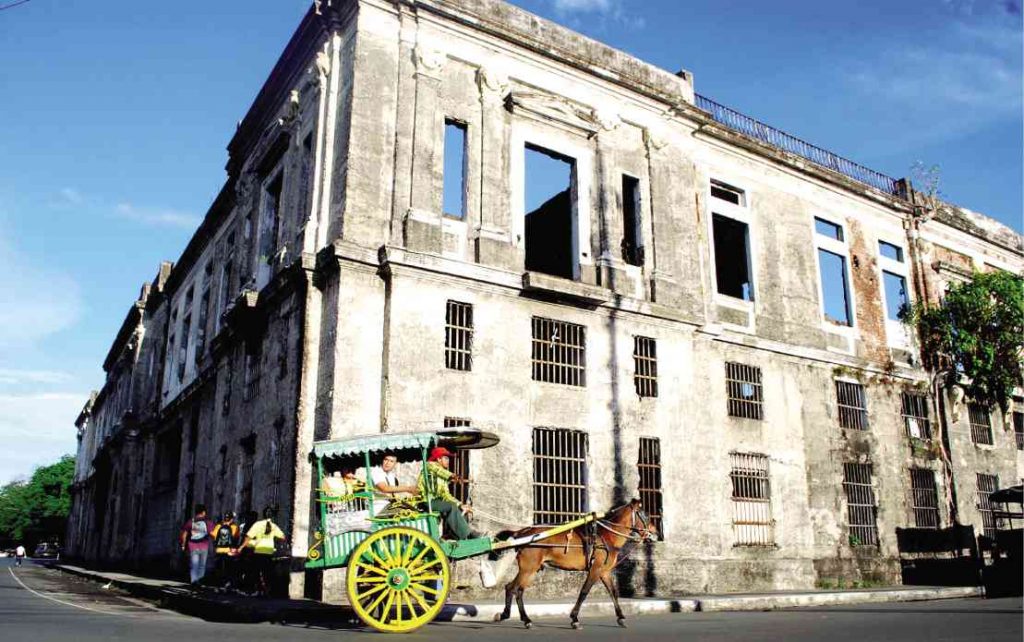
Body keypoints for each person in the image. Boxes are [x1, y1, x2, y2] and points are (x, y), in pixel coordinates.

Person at [418, 447, 480, 540]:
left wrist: (460, 504)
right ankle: (468, 534)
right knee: (450, 506)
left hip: (436, 502)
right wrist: (452, 476)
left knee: (457, 507)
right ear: (438, 459)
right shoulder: (429, 466)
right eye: (446, 458)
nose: (448, 461)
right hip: (426, 501)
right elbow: (438, 471)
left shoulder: (442, 477)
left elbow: (446, 495)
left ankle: (457, 537)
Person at [241, 506, 286, 596]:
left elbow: (248, 537)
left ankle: (259, 590)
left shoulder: (258, 524)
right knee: (267, 572)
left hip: (259, 550)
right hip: (269, 551)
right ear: (272, 516)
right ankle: (266, 590)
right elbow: (283, 537)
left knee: (256, 571)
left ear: (262, 515)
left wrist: (241, 547)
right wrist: (275, 540)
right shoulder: (273, 526)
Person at [179, 505, 214, 584]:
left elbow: (184, 534)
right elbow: (212, 534)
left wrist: (183, 545)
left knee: (194, 565)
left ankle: (194, 581)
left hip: (193, 546)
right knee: (202, 565)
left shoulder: (191, 521)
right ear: (203, 512)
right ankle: (199, 581)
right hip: (204, 546)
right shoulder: (208, 522)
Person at [211, 512, 241, 588]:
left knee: (219, 569)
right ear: (231, 519)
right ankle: (227, 585)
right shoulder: (234, 527)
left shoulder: (218, 526)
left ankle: (218, 585)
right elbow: (236, 538)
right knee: (228, 569)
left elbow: (214, 537)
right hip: (229, 551)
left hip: (219, 550)